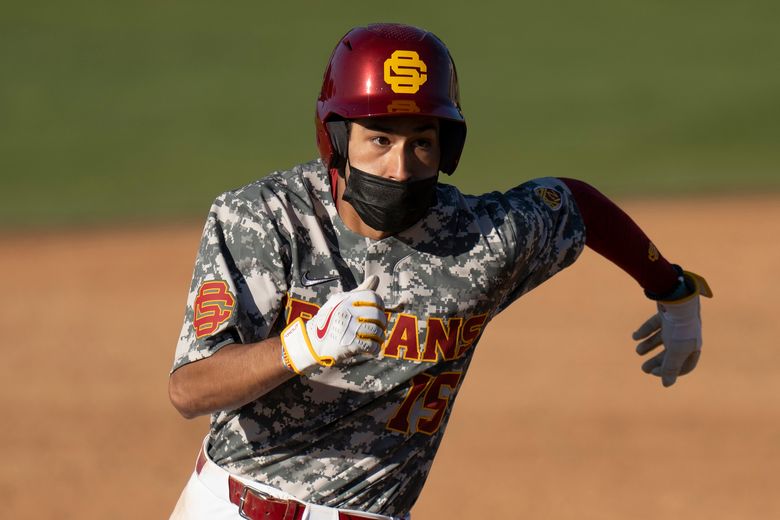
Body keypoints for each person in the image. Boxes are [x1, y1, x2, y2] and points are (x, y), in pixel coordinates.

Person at [168, 23, 712, 520]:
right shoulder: (265, 219)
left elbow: (578, 204)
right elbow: (189, 390)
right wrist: (303, 345)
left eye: (421, 142)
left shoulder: (479, 242)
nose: (400, 168)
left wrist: (673, 289)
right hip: (232, 508)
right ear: (335, 139)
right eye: (380, 140)